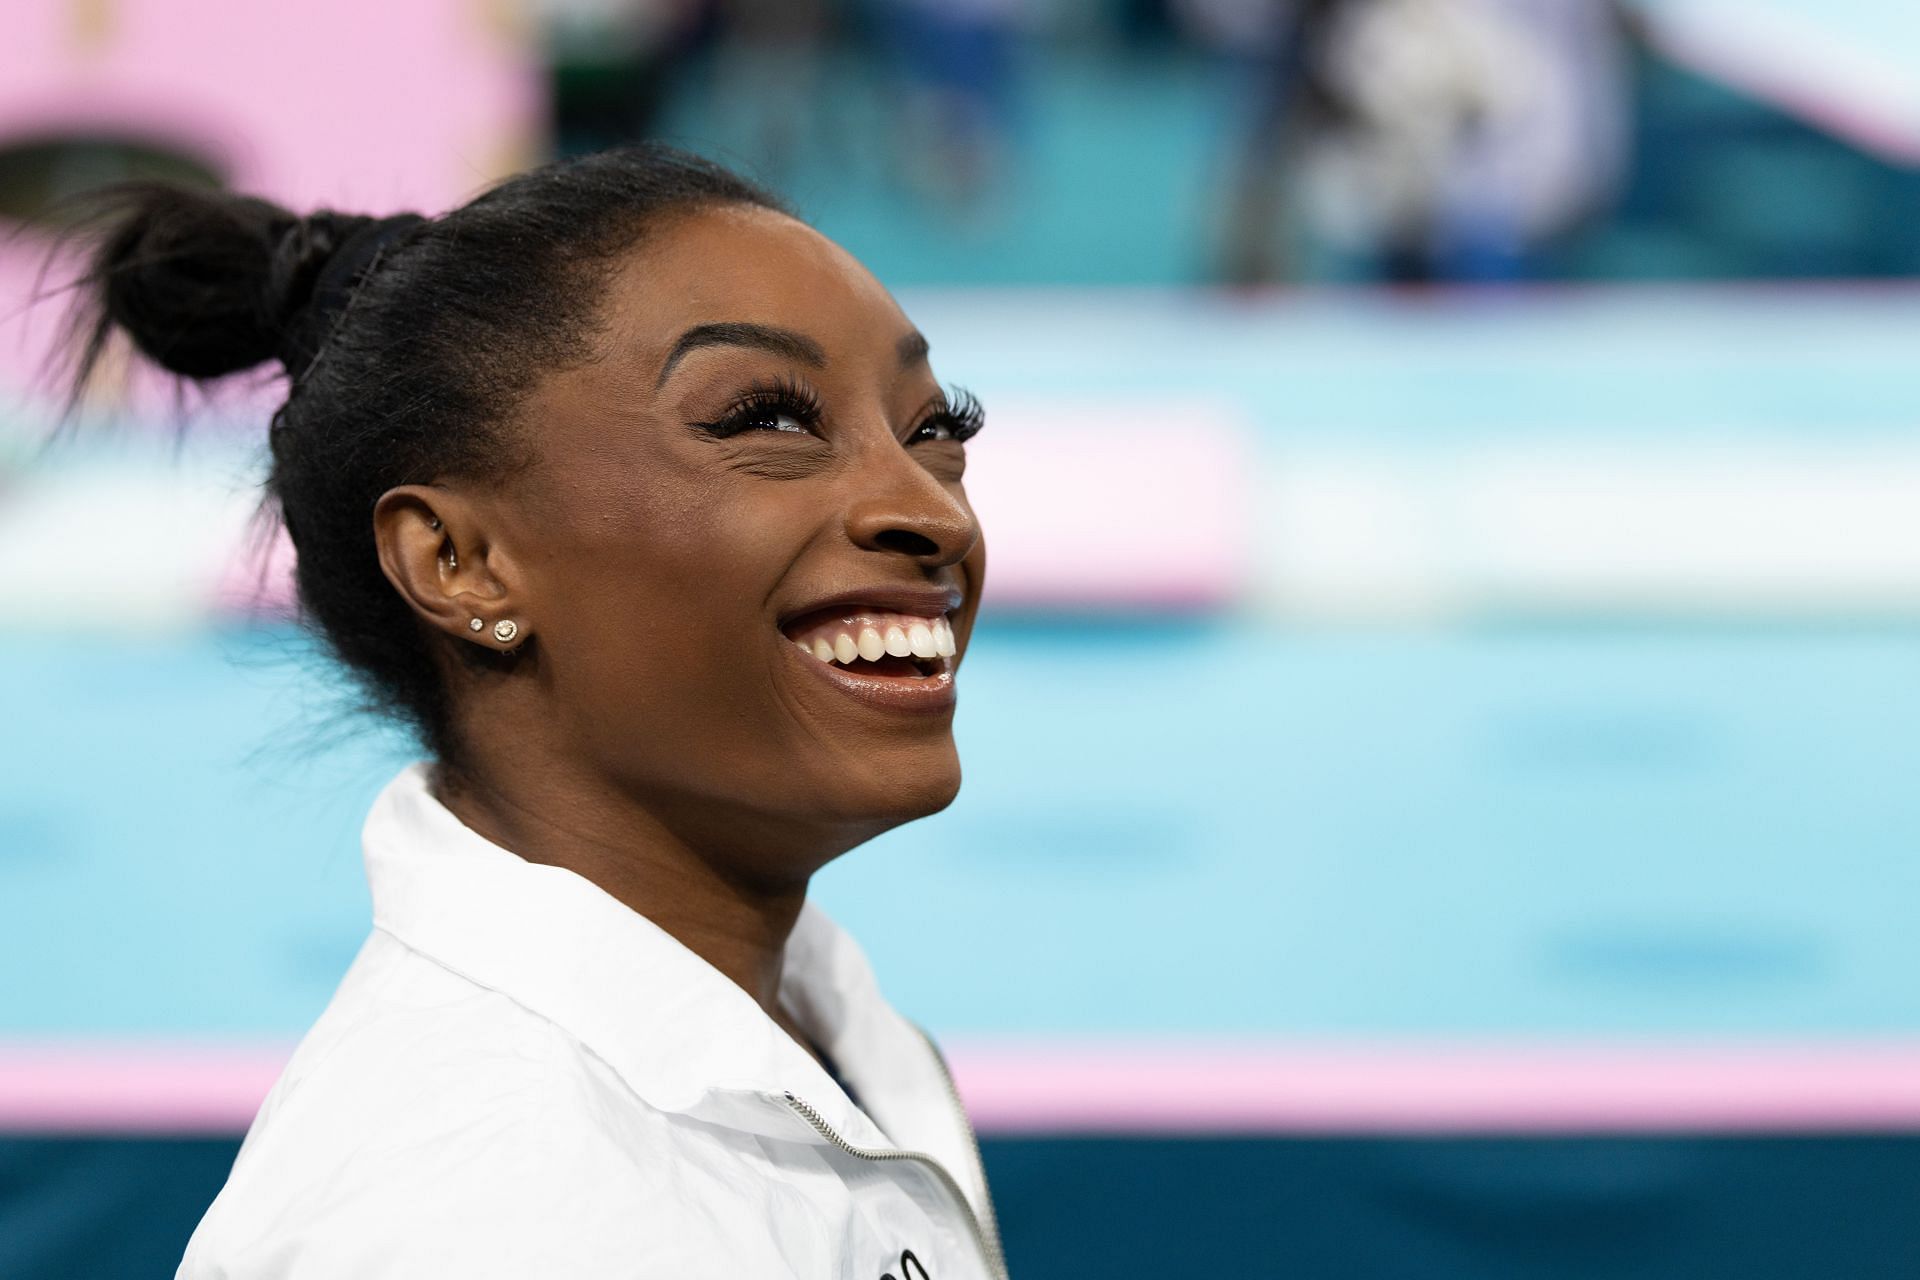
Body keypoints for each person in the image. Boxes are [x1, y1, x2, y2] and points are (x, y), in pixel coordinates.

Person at [63, 147, 1002, 1278]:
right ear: (461, 561)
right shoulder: (474, 1218)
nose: (927, 509)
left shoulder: (838, 1029)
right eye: (768, 417)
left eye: (935, 428)